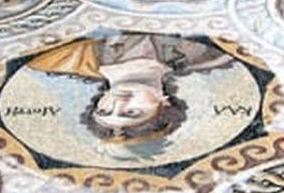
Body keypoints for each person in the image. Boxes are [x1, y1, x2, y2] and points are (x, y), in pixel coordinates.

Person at [26, 33, 232, 144]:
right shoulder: (209, 56)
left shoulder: (61, 59)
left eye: (104, 110)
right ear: (166, 105)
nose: (119, 102)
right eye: (132, 112)